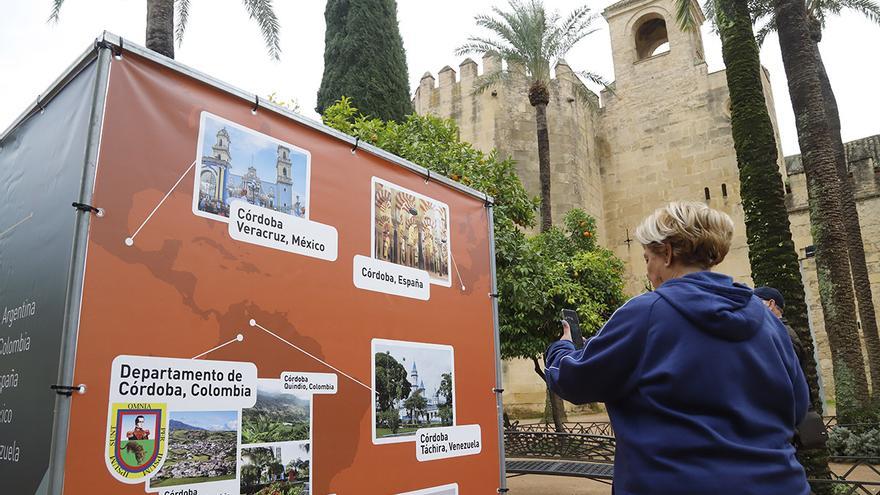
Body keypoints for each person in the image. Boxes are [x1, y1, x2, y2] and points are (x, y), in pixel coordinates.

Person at [545, 201, 810, 495]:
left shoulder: (647, 313)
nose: (648, 272)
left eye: (647, 259)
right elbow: (797, 406)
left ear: (667, 253)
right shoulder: (766, 319)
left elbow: (575, 381)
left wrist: (561, 348)